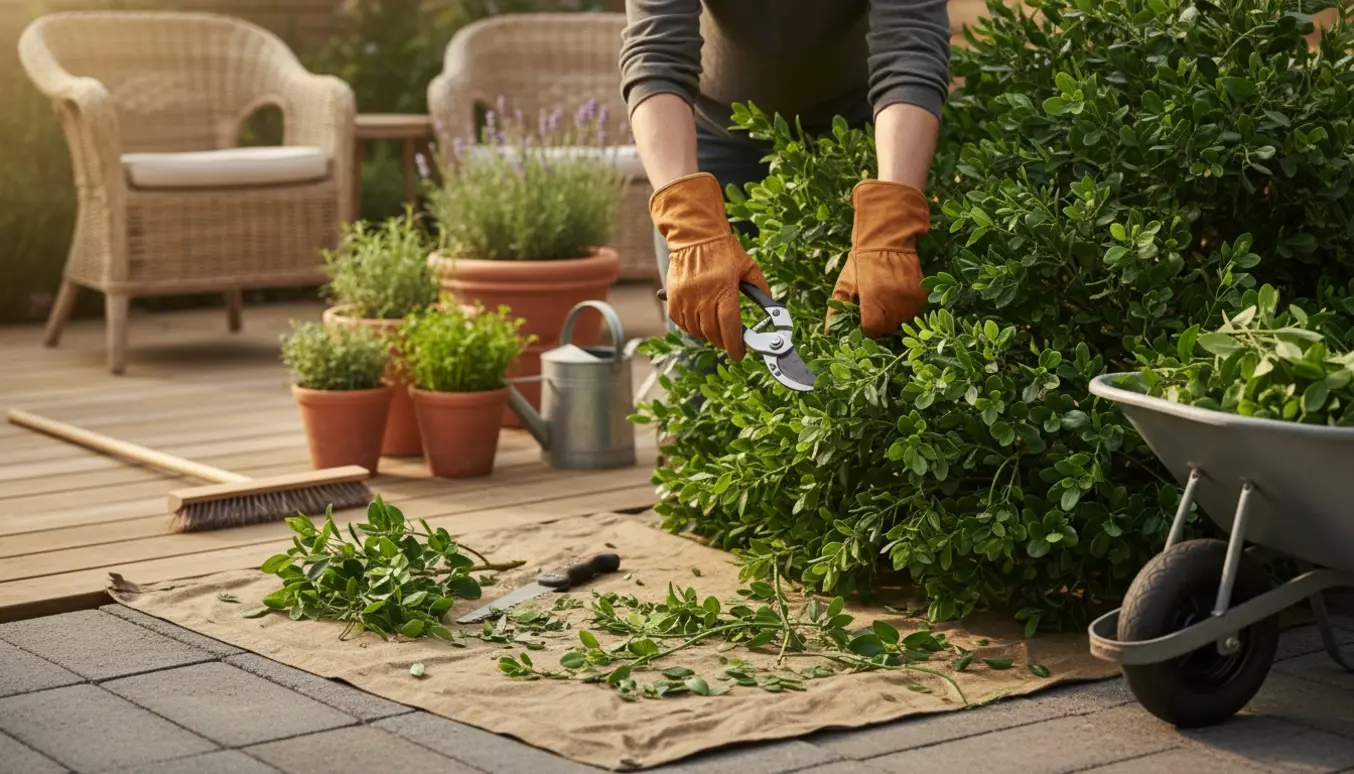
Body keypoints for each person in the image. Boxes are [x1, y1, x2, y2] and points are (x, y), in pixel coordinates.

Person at [619, 0, 951, 362]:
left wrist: (891, 222)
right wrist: (689, 223)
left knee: (870, 351)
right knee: (704, 350)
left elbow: (911, 48)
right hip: (712, 136)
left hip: (865, 136)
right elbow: (656, 55)